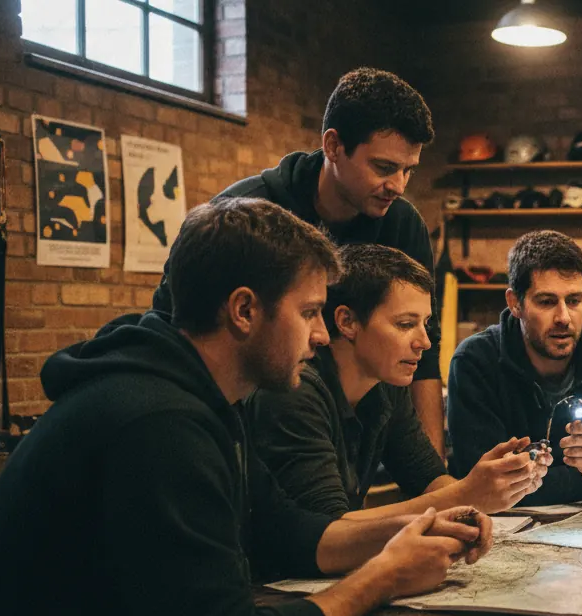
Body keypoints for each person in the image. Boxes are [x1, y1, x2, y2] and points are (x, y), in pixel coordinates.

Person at [0, 198, 494, 616]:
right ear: (245, 311)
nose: (323, 335)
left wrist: (410, 530)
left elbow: (284, 529)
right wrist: (381, 578)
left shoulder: (207, 401)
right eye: (308, 313)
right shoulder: (158, 423)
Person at [150, 67, 451, 454]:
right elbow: (175, 326)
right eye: (384, 167)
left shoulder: (403, 225)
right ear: (333, 145)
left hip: (341, 434)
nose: (398, 185)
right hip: (242, 434)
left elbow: (426, 352)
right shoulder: (247, 214)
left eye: (408, 170)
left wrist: (436, 472)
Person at [247, 243, 547, 521]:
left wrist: (499, 488)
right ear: (347, 322)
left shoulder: (386, 384)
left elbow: (428, 479)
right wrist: (467, 494)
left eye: (425, 324)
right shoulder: (294, 391)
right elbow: (329, 530)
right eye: (405, 324)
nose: (425, 342)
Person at [447, 230, 582, 504]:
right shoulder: (475, 363)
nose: (563, 317)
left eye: (574, 301)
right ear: (515, 303)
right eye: (547, 302)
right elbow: (484, 484)